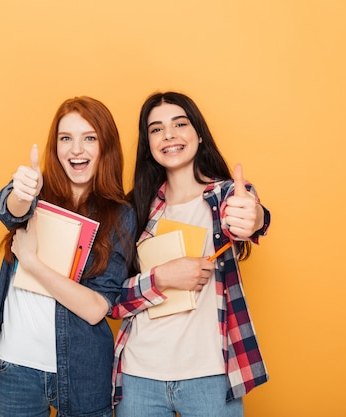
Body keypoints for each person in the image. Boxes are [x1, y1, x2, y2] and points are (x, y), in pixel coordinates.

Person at [0, 96, 137, 417]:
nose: (76, 149)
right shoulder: (34, 191)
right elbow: (10, 209)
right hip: (15, 370)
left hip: (84, 373)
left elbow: (96, 308)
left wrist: (32, 263)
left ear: (106, 147)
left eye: (89, 138)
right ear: (55, 147)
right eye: (66, 138)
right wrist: (21, 192)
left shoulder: (121, 215)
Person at [111, 91, 271, 417]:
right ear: (148, 144)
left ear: (198, 133)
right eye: (156, 129)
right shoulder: (135, 209)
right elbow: (112, 299)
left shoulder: (226, 196)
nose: (168, 134)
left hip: (210, 376)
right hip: (140, 376)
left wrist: (253, 217)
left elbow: (250, 218)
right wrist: (163, 277)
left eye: (179, 124)